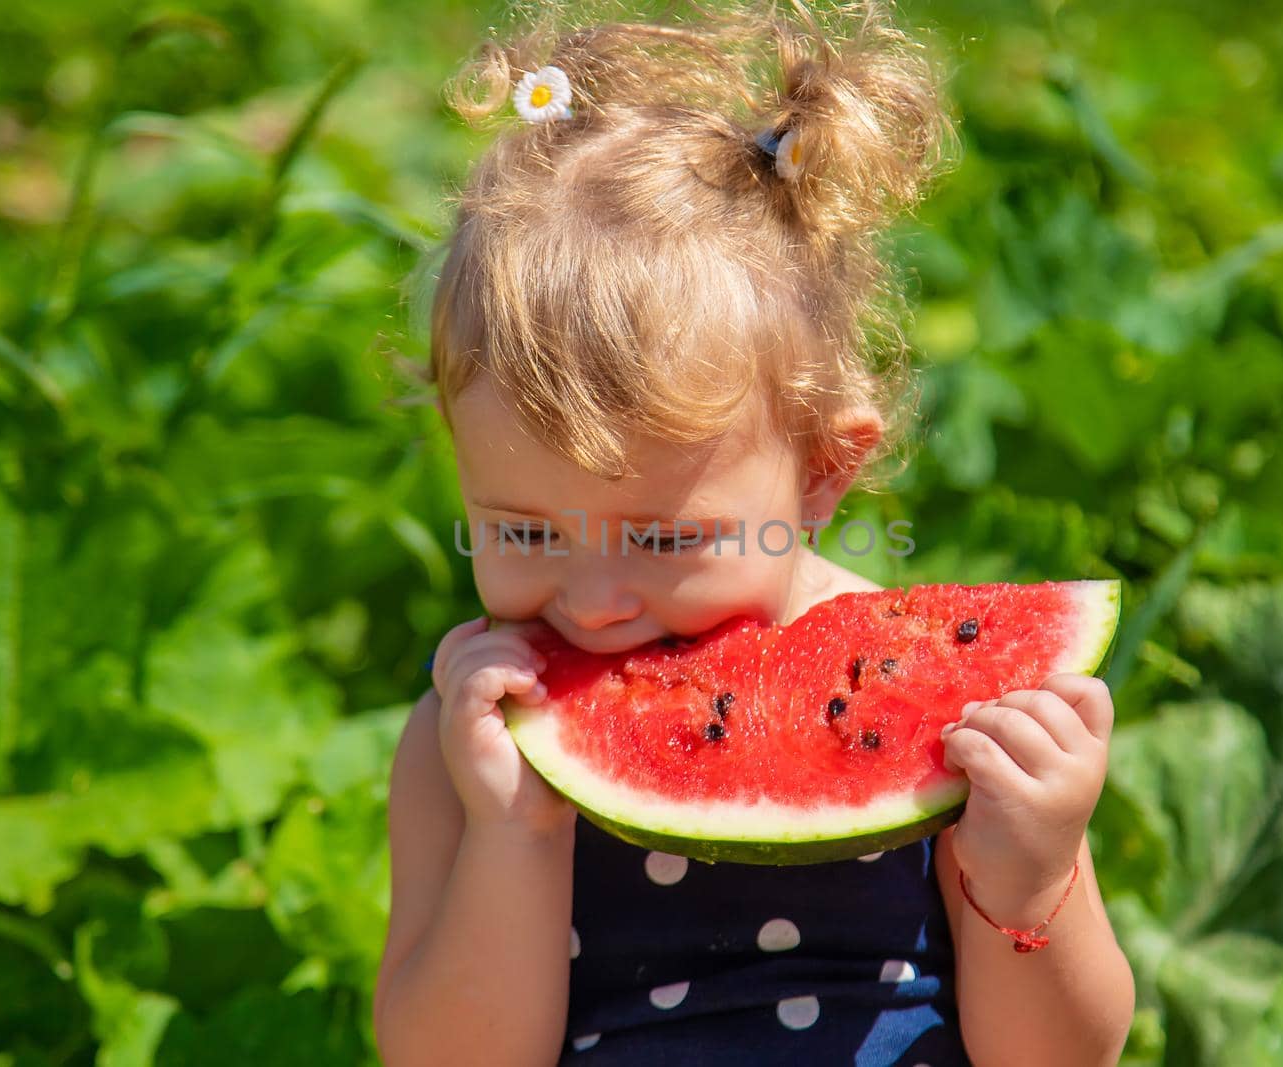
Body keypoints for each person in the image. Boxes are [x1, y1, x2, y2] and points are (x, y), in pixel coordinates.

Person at [373, 1, 1134, 1063]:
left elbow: (1061, 1056)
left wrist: (1030, 878)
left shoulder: (955, 718)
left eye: (663, 540)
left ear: (823, 469)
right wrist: (514, 834)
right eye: (529, 534)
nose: (593, 601)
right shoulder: (462, 746)